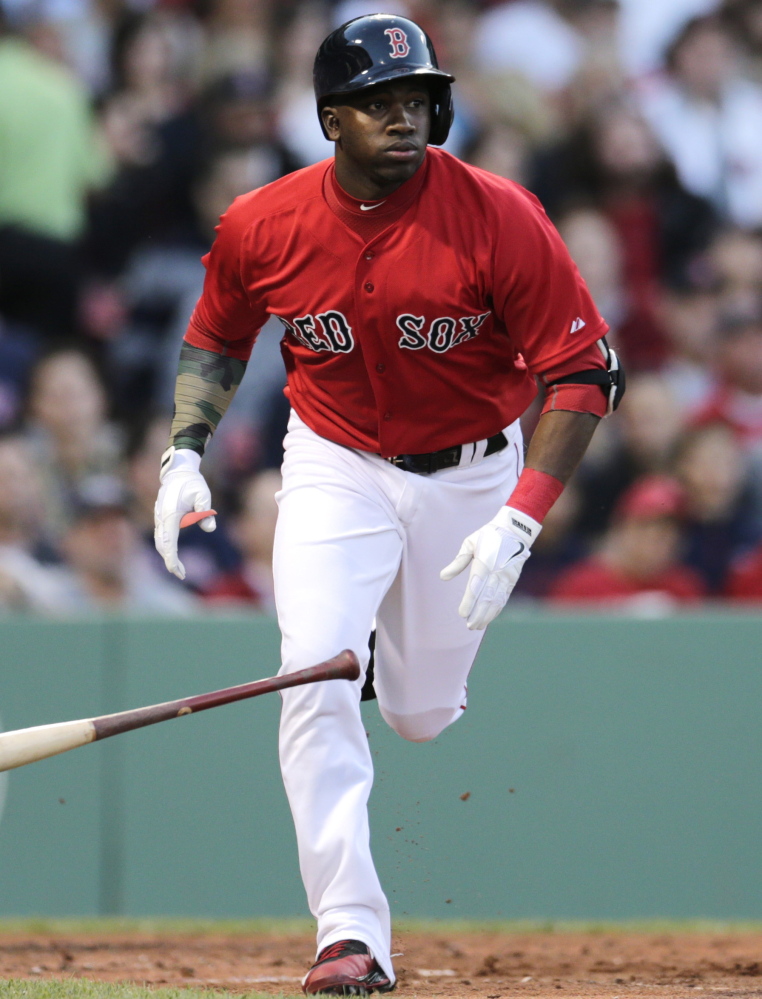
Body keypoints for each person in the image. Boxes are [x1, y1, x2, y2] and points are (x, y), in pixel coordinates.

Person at [153, 14, 624, 995]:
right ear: (331, 119)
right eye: (378, 104)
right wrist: (183, 455)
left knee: (419, 718)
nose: (402, 118)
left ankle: (378, 670)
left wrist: (523, 516)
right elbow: (216, 339)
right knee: (311, 679)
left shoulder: (500, 214)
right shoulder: (263, 220)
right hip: (333, 460)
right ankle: (350, 934)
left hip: (474, 472)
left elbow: (584, 374)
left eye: (415, 100)